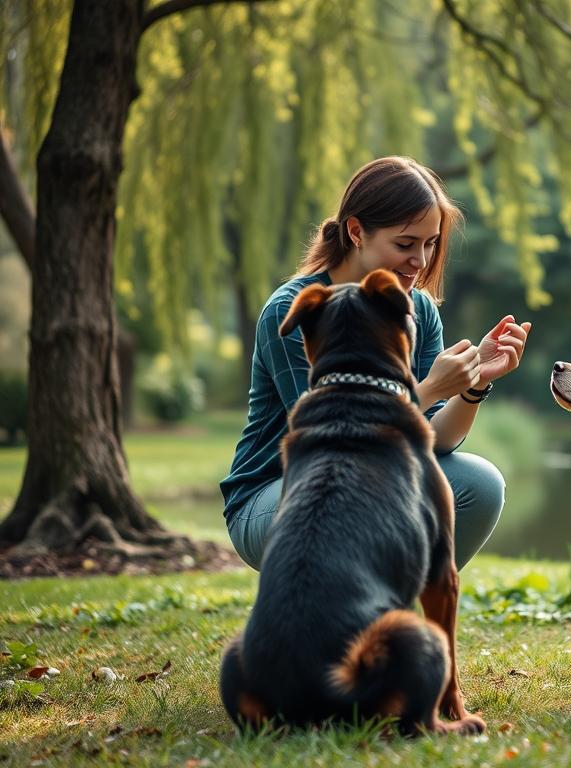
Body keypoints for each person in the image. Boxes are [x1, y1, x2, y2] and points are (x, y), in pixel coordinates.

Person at [220, 156, 532, 571]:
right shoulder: (296, 310)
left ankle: (399, 600)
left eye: (430, 243)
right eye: (405, 244)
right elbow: (332, 440)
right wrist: (429, 389)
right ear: (356, 232)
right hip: (275, 497)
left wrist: (473, 385)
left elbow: (435, 439)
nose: (421, 260)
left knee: (479, 484)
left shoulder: (419, 309)